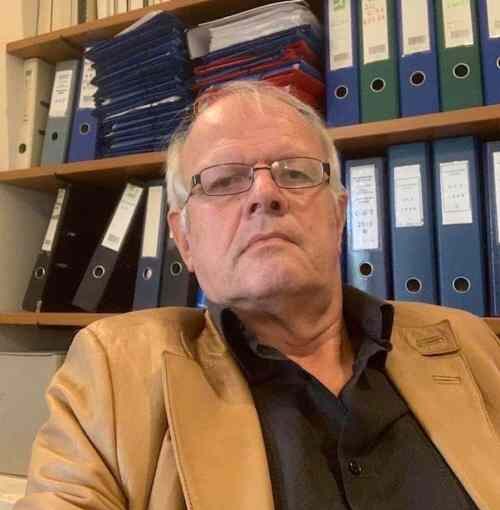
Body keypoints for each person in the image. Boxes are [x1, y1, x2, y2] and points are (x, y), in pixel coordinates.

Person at [15, 81, 499, 510]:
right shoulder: (116, 375)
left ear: (339, 217)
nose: (265, 193)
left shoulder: (466, 344)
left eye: (296, 173)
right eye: (224, 180)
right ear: (184, 239)